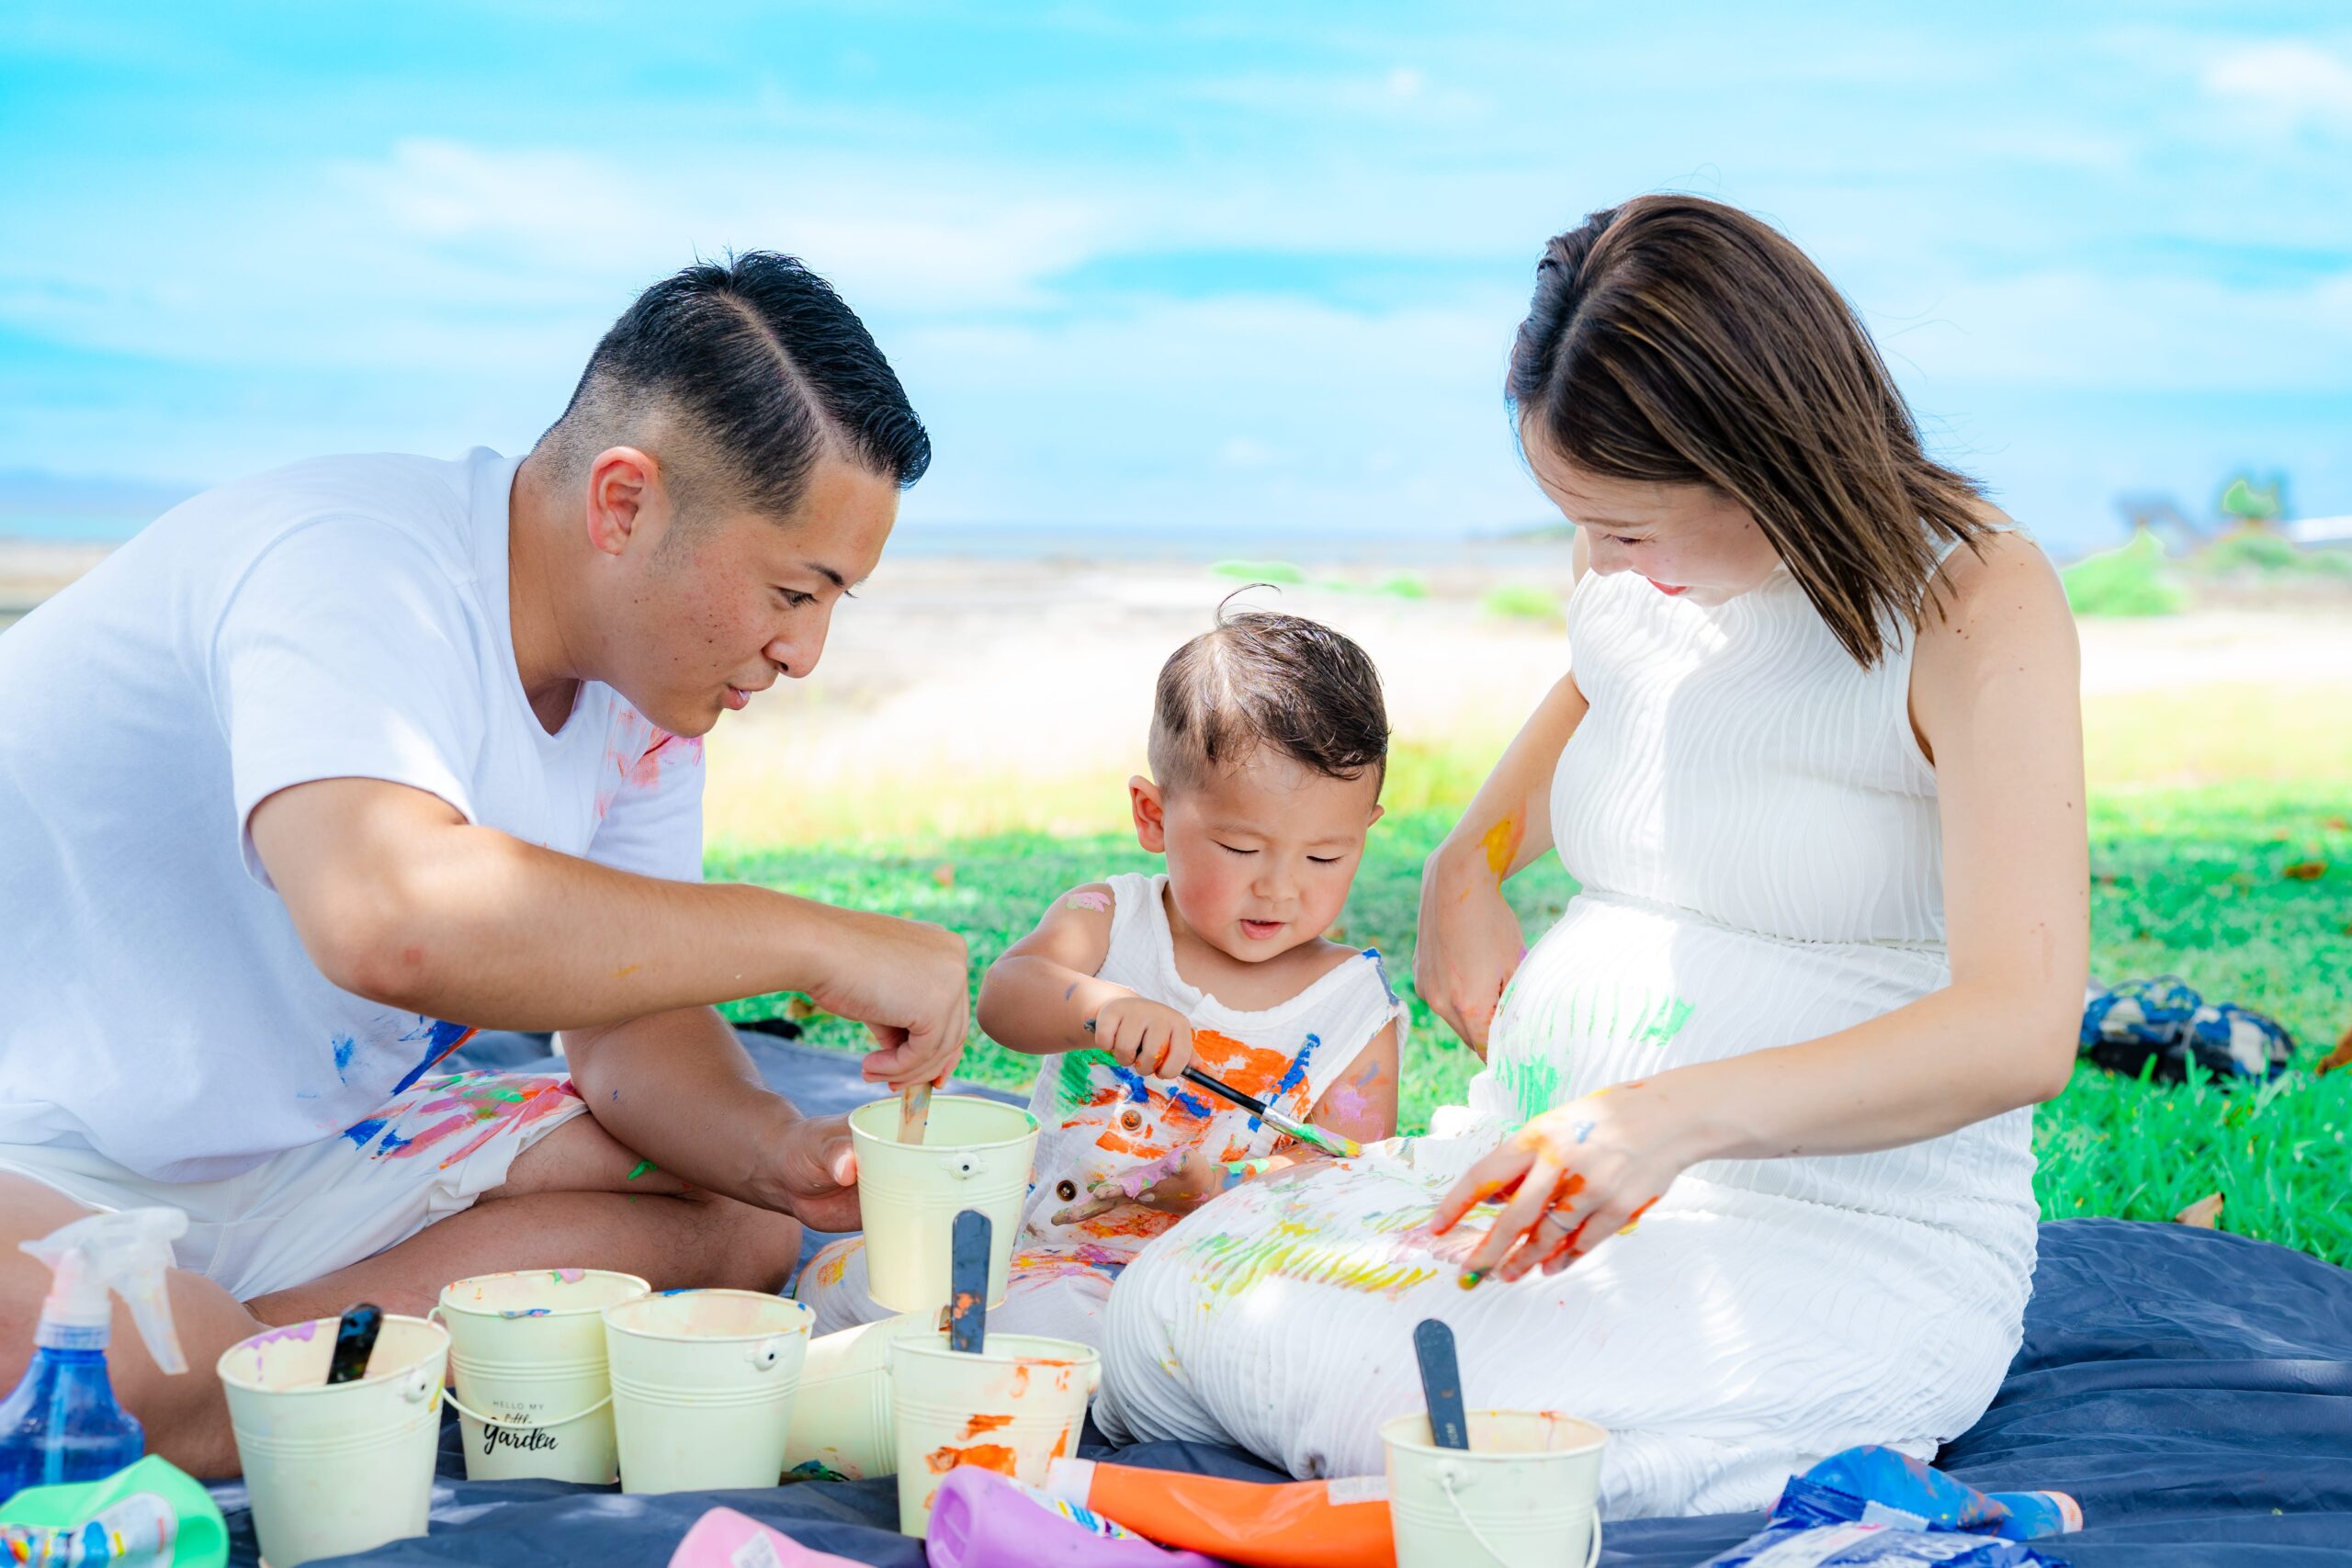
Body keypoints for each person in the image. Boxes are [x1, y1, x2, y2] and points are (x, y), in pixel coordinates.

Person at [1095, 195, 2088, 1517]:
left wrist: (1668, 1118)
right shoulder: (1643, 579)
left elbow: (2021, 1028)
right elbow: (1602, 689)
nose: (1605, 564)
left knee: (1453, 1434)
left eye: (1627, 525)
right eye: (1584, 525)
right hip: (1542, 1172)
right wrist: (1467, 860)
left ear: (1760, 459)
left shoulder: (1973, 601)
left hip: (1838, 1234)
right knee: (1170, 1307)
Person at [0, 254, 970, 1475]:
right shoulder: (354, 569)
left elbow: (625, 1022)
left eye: (837, 601)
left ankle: (260, 1360)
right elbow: (387, 912)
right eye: (793, 589)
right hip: (31, 1150)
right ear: (624, 503)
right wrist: (818, 937)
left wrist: (780, 1145)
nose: (807, 649)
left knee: (732, 1221)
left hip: (307, 1163)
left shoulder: (643, 696)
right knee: (125, 1375)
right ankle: (246, 1370)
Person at [797, 608, 1404, 1347]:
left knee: (1049, 1321)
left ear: (1365, 831)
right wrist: (1097, 1003)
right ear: (1153, 815)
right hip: (1035, 1250)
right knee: (840, 1282)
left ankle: (948, 1357)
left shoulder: (1351, 1008)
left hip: (1203, 1292)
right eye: (1241, 847)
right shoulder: (1112, 918)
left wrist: (1224, 1186)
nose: (1279, 887)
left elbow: (1347, 1182)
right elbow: (1006, 995)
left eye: (1323, 858)